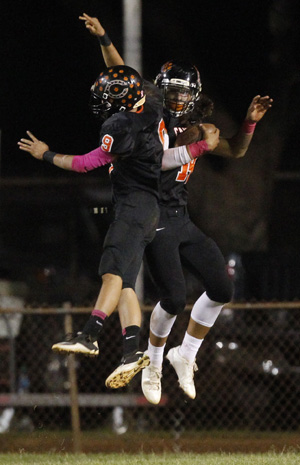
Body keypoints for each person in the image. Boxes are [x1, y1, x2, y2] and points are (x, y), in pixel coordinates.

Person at [79, 14, 273, 400]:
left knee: (221, 287)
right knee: (173, 297)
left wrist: (249, 123)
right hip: (152, 217)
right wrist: (103, 37)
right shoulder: (149, 119)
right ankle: (152, 363)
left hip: (180, 218)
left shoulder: (199, 128)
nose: (179, 100)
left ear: (195, 95)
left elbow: (235, 150)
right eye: (173, 93)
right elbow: (122, 74)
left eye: (185, 94)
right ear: (158, 93)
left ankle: (184, 355)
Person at [18, 64, 219, 388]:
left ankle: (90, 335)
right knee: (125, 282)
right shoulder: (153, 108)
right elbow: (130, 79)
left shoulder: (126, 129)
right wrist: (104, 39)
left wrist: (45, 154)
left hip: (133, 209)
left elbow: (84, 163)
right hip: (147, 210)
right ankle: (129, 352)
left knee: (111, 274)